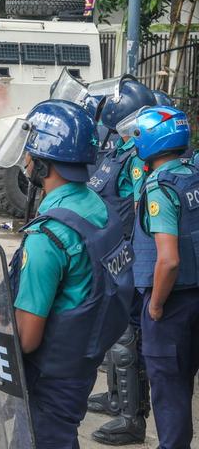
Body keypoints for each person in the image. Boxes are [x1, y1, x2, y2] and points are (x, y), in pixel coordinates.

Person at [0, 100, 133, 449]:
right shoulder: (96, 206)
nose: (25, 161)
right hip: (83, 358)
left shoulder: (47, 238)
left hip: (50, 375)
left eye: (29, 154)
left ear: (42, 163)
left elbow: (26, 339)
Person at [86, 77, 156, 445]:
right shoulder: (117, 151)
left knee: (126, 337)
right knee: (113, 330)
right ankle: (116, 398)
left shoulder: (137, 160)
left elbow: (141, 211)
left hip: (127, 256)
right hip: (110, 252)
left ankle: (132, 418)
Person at [127, 105, 199, 449]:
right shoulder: (193, 174)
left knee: (170, 399)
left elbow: (168, 260)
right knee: (183, 384)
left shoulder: (160, 187)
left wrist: (155, 305)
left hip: (171, 305)